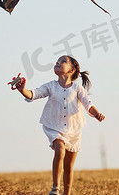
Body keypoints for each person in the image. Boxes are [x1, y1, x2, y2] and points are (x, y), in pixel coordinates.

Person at [14, 55, 105, 195]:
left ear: (72, 69)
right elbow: (33, 94)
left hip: (74, 130)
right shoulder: (50, 86)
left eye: (63, 61)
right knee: (60, 149)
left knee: (68, 167)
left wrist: (97, 114)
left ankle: (66, 193)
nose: (57, 62)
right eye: (57, 60)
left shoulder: (77, 87)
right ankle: (55, 188)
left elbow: (89, 105)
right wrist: (22, 90)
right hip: (55, 127)